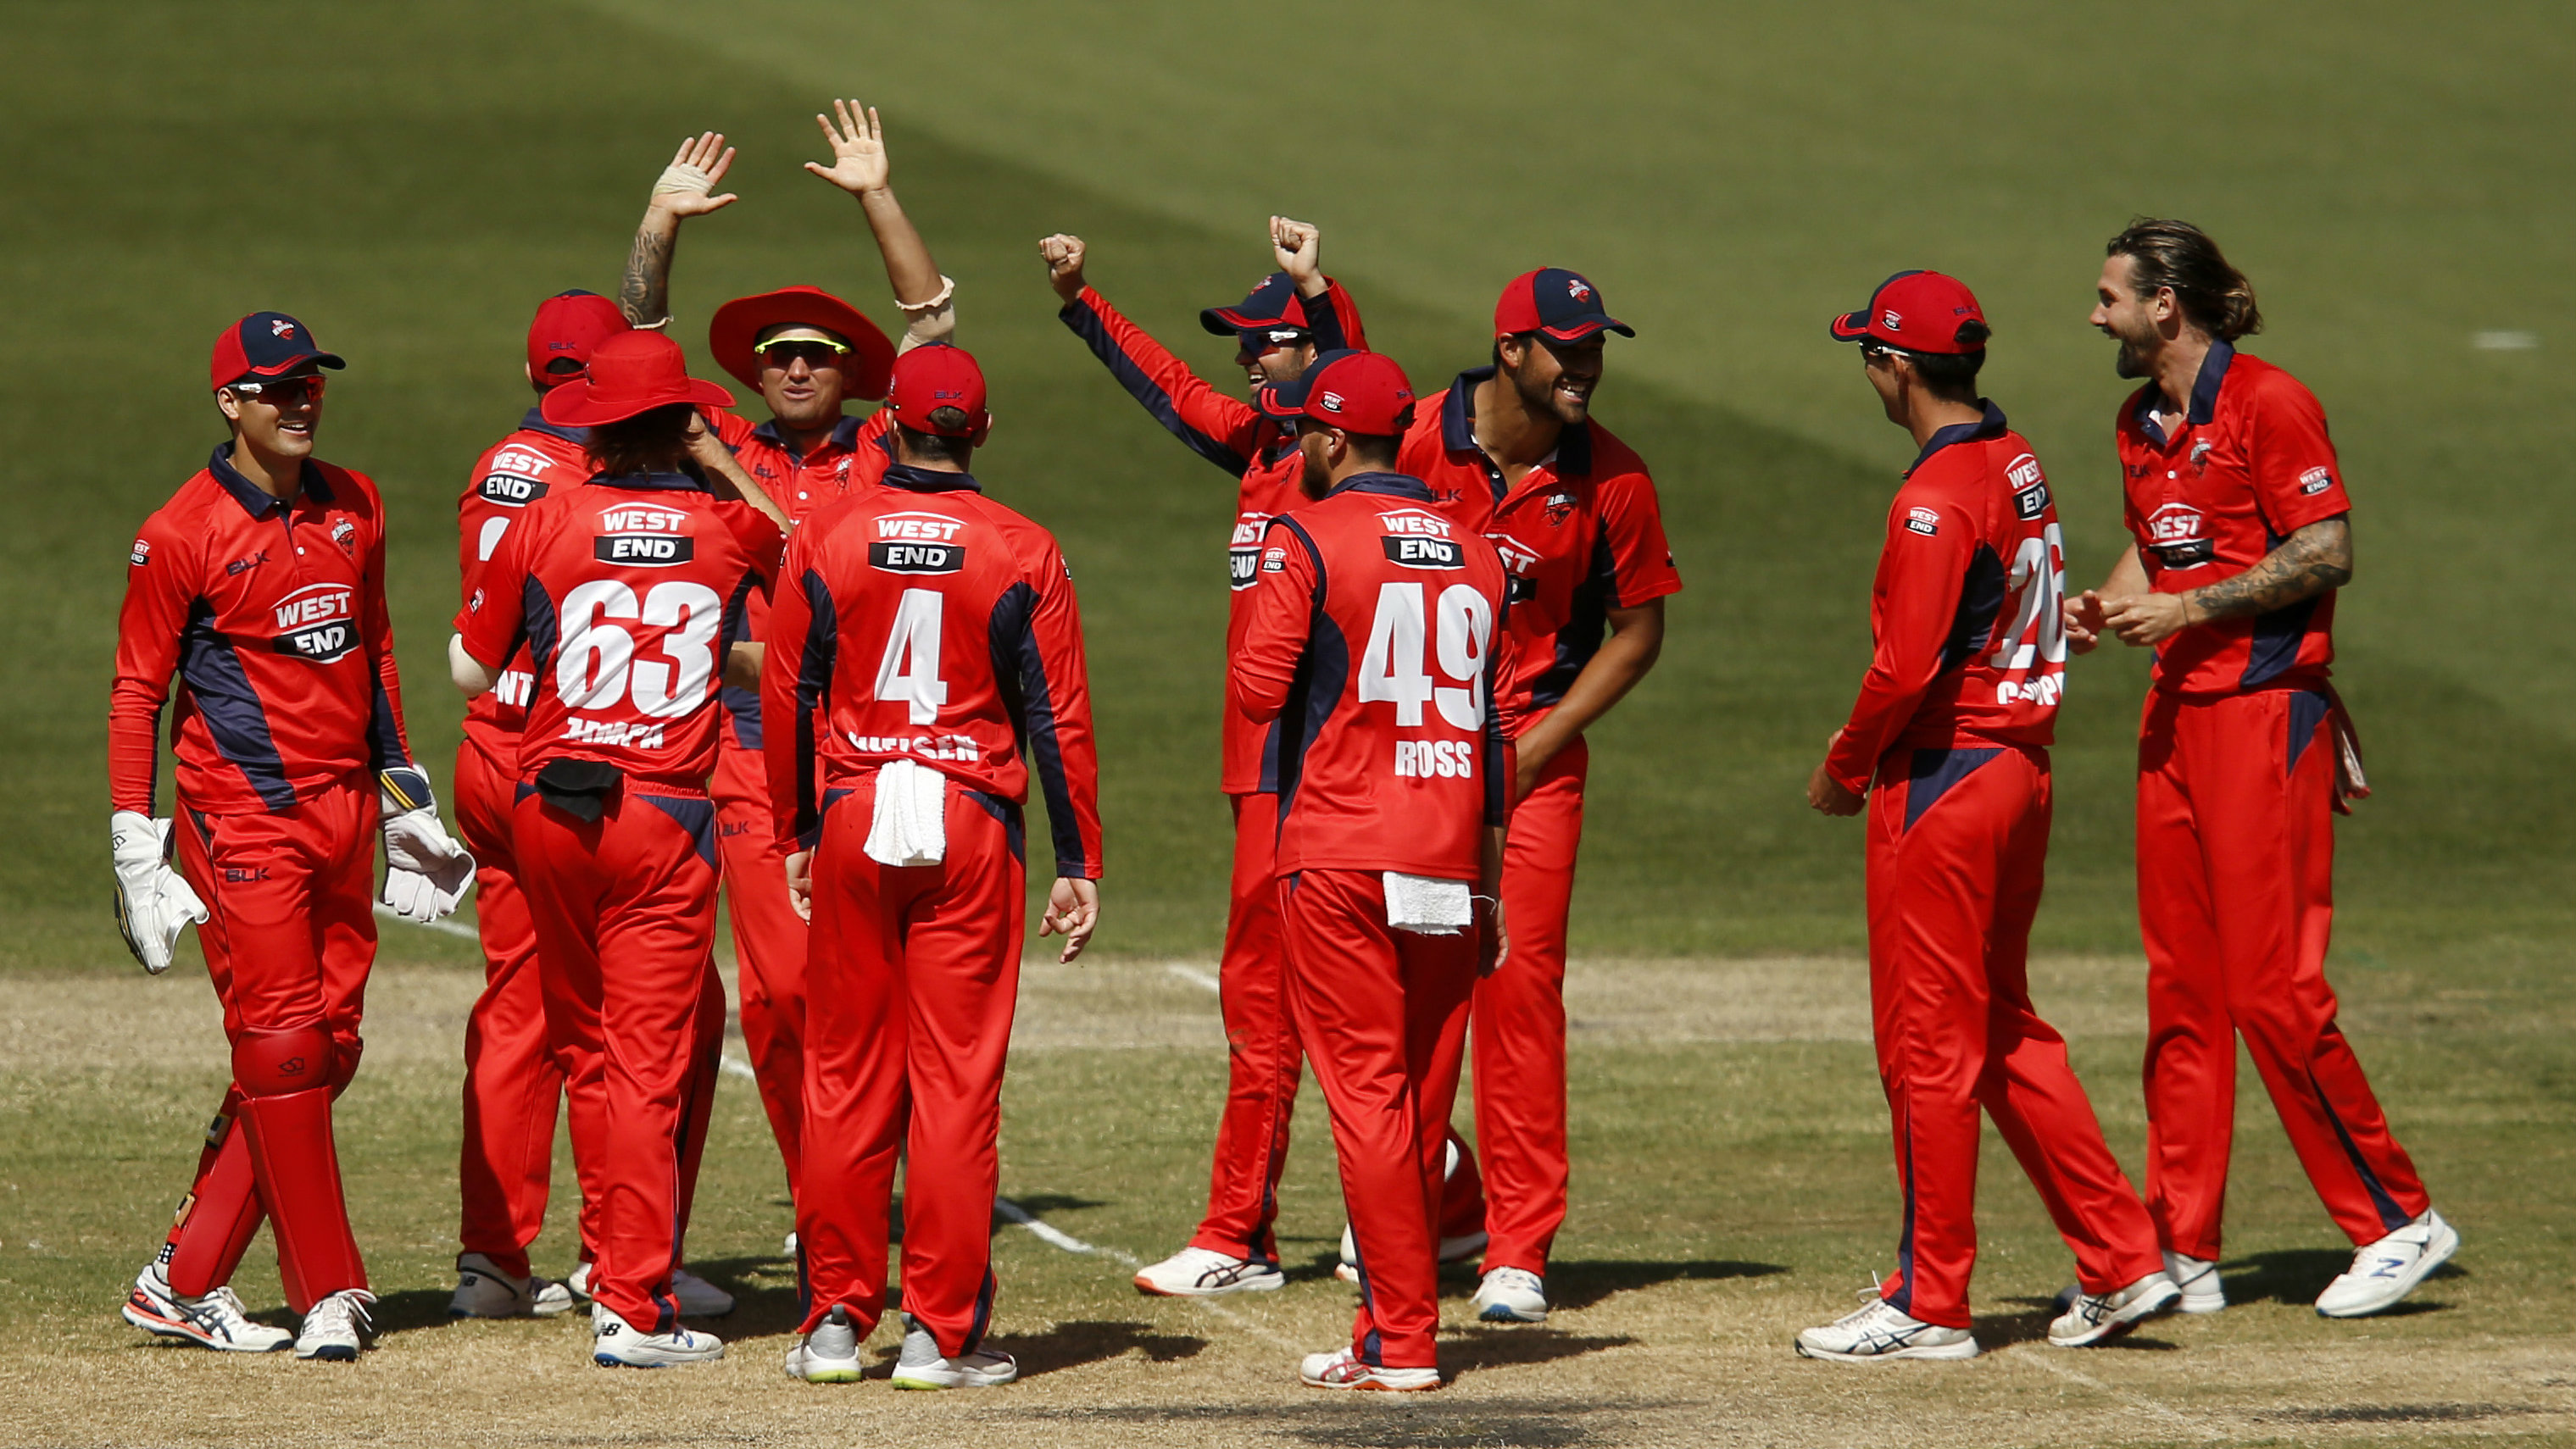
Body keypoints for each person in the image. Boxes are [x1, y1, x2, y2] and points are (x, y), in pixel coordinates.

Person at [1041, 222, 1488, 1295]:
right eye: (1243, 344)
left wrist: (1320, 290)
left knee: (1282, 1006)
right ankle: (1438, 1204)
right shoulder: (1257, 450)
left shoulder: (1348, 472)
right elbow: (1166, 387)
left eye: (1268, 341)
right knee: (1310, 1011)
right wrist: (1082, 299)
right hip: (1272, 779)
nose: (1248, 358)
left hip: (1318, 779)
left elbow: (1364, 376)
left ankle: (1245, 1232)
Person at [2067, 219, 2454, 1318]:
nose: (2093, 315)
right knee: (2182, 990)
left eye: (2108, 296)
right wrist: (2107, 604)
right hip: (2174, 720)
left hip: (2264, 715)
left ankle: (2397, 1218)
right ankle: (2180, 1242)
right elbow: (2162, 541)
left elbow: (2325, 549)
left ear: (2165, 305)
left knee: (2271, 990)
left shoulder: (2269, 402)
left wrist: (2188, 608)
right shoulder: (2138, 422)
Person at [1795, 271, 2178, 1362]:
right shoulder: (2015, 456)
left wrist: (1843, 766)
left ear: (1897, 367)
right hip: (2019, 774)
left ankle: (1930, 1300)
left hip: (1944, 782)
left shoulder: (1936, 497)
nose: (1867, 373)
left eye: (1869, 355)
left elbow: (1904, 667)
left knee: (1927, 1047)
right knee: (2002, 1025)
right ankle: (2122, 1255)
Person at [113, 314, 474, 1360]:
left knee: (328, 1049)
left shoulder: (357, 502)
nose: (299, 401)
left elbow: (378, 654)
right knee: (281, 1046)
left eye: (309, 382)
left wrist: (406, 798)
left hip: (346, 810)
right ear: (230, 402)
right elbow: (137, 693)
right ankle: (331, 1293)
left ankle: (183, 1280)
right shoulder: (179, 532)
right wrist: (135, 842)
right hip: (241, 815)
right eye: (275, 388)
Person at [617, 112, 954, 1211]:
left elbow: (932, 329)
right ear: (755, 373)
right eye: (779, 354)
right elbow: (637, 335)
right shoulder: (717, 441)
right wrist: (660, 221)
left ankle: (878, 1170)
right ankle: (833, 1201)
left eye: (817, 354)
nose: (798, 366)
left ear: (849, 373)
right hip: (752, 753)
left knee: (868, 986)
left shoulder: (884, 447)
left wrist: (875, 197)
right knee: (774, 1001)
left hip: (871, 747)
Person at [762, 344, 1102, 1390]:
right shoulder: (1023, 546)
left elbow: (788, 693)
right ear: (981, 431)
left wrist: (797, 832)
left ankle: (833, 1324)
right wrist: (1078, 856)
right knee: (955, 1086)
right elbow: (1057, 713)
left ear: (891, 426)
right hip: (970, 821)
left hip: (858, 812)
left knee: (843, 1077)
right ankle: (939, 1336)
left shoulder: (829, 533)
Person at [452, 330, 787, 1368]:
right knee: (648, 1062)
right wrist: (721, 464)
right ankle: (633, 1302)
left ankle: (609, 1262)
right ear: (682, 424)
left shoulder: (546, 516)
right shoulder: (728, 525)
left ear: (595, 426)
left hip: (547, 806)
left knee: (586, 1047)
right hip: (664, 816)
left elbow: (471, 670)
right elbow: (813, 565)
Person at [1396, 269, 1679, 1323]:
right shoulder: (1412, 439)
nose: (1587, 366)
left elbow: (1638, 633)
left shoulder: (1615, 478)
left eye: (1597, 346)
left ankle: (1517, 1249)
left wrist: (1531, 751)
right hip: (1408, 760)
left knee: (1517, 994)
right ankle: (1415, 1209)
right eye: (1569, 347)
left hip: (1533, 767)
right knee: (1401, 994)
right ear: (1510, 348)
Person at [1234, 350, 1514, 1391]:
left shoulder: (1306, 533)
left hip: (1342, 851)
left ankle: (1401, 1340)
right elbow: (1497, 736)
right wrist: (1491, 883)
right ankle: (1390, 1326)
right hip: (1450, 853)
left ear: (1329, 438)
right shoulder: (1480, 551)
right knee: (1421, 1101)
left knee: (1366, 1099)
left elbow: (1257, 690)